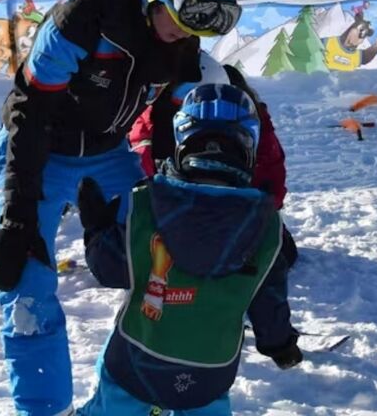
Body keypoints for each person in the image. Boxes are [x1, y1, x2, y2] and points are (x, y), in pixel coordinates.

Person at [0, 0, 243, 416]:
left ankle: (122, 401)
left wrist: (178, 193)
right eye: (186, 15)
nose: (189, 32)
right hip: (38, 149)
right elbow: (28, 111)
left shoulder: (177, 35)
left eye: (207, 21)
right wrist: (18, 215)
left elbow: (167, 111)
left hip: (106, 153)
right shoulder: (84, 20)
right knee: (28, 287)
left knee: (170, 266)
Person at [76, 83, 301, 415]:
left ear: (183, 140)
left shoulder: (149, 205)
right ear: (248, 146)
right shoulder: (265, 227)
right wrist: (279, 345)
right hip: (209, 374)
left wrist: (96, 230)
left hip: (137, 364)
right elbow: (269, 298)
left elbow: (109, 269)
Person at [128, 54, 297, 267]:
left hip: (223, 208)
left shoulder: (248, 118)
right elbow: (142, 169)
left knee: (276, 252)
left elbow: (271, 178)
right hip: (183, 209)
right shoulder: (156, 116)